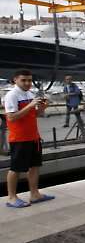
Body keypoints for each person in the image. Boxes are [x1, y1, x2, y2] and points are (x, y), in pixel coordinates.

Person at [3, 69, 54, 208]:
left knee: (35, 166)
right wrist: (31, 105)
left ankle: (34, 194)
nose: (27, 83)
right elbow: (11, 117)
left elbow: (33, 115)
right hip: (19, 138)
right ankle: (12, 197)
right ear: (15, 80)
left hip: (33, 137)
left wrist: (42, 108)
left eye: (29, 80)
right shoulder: (11, 95)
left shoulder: (29, 94)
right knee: (16, 168)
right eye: (23, 80)